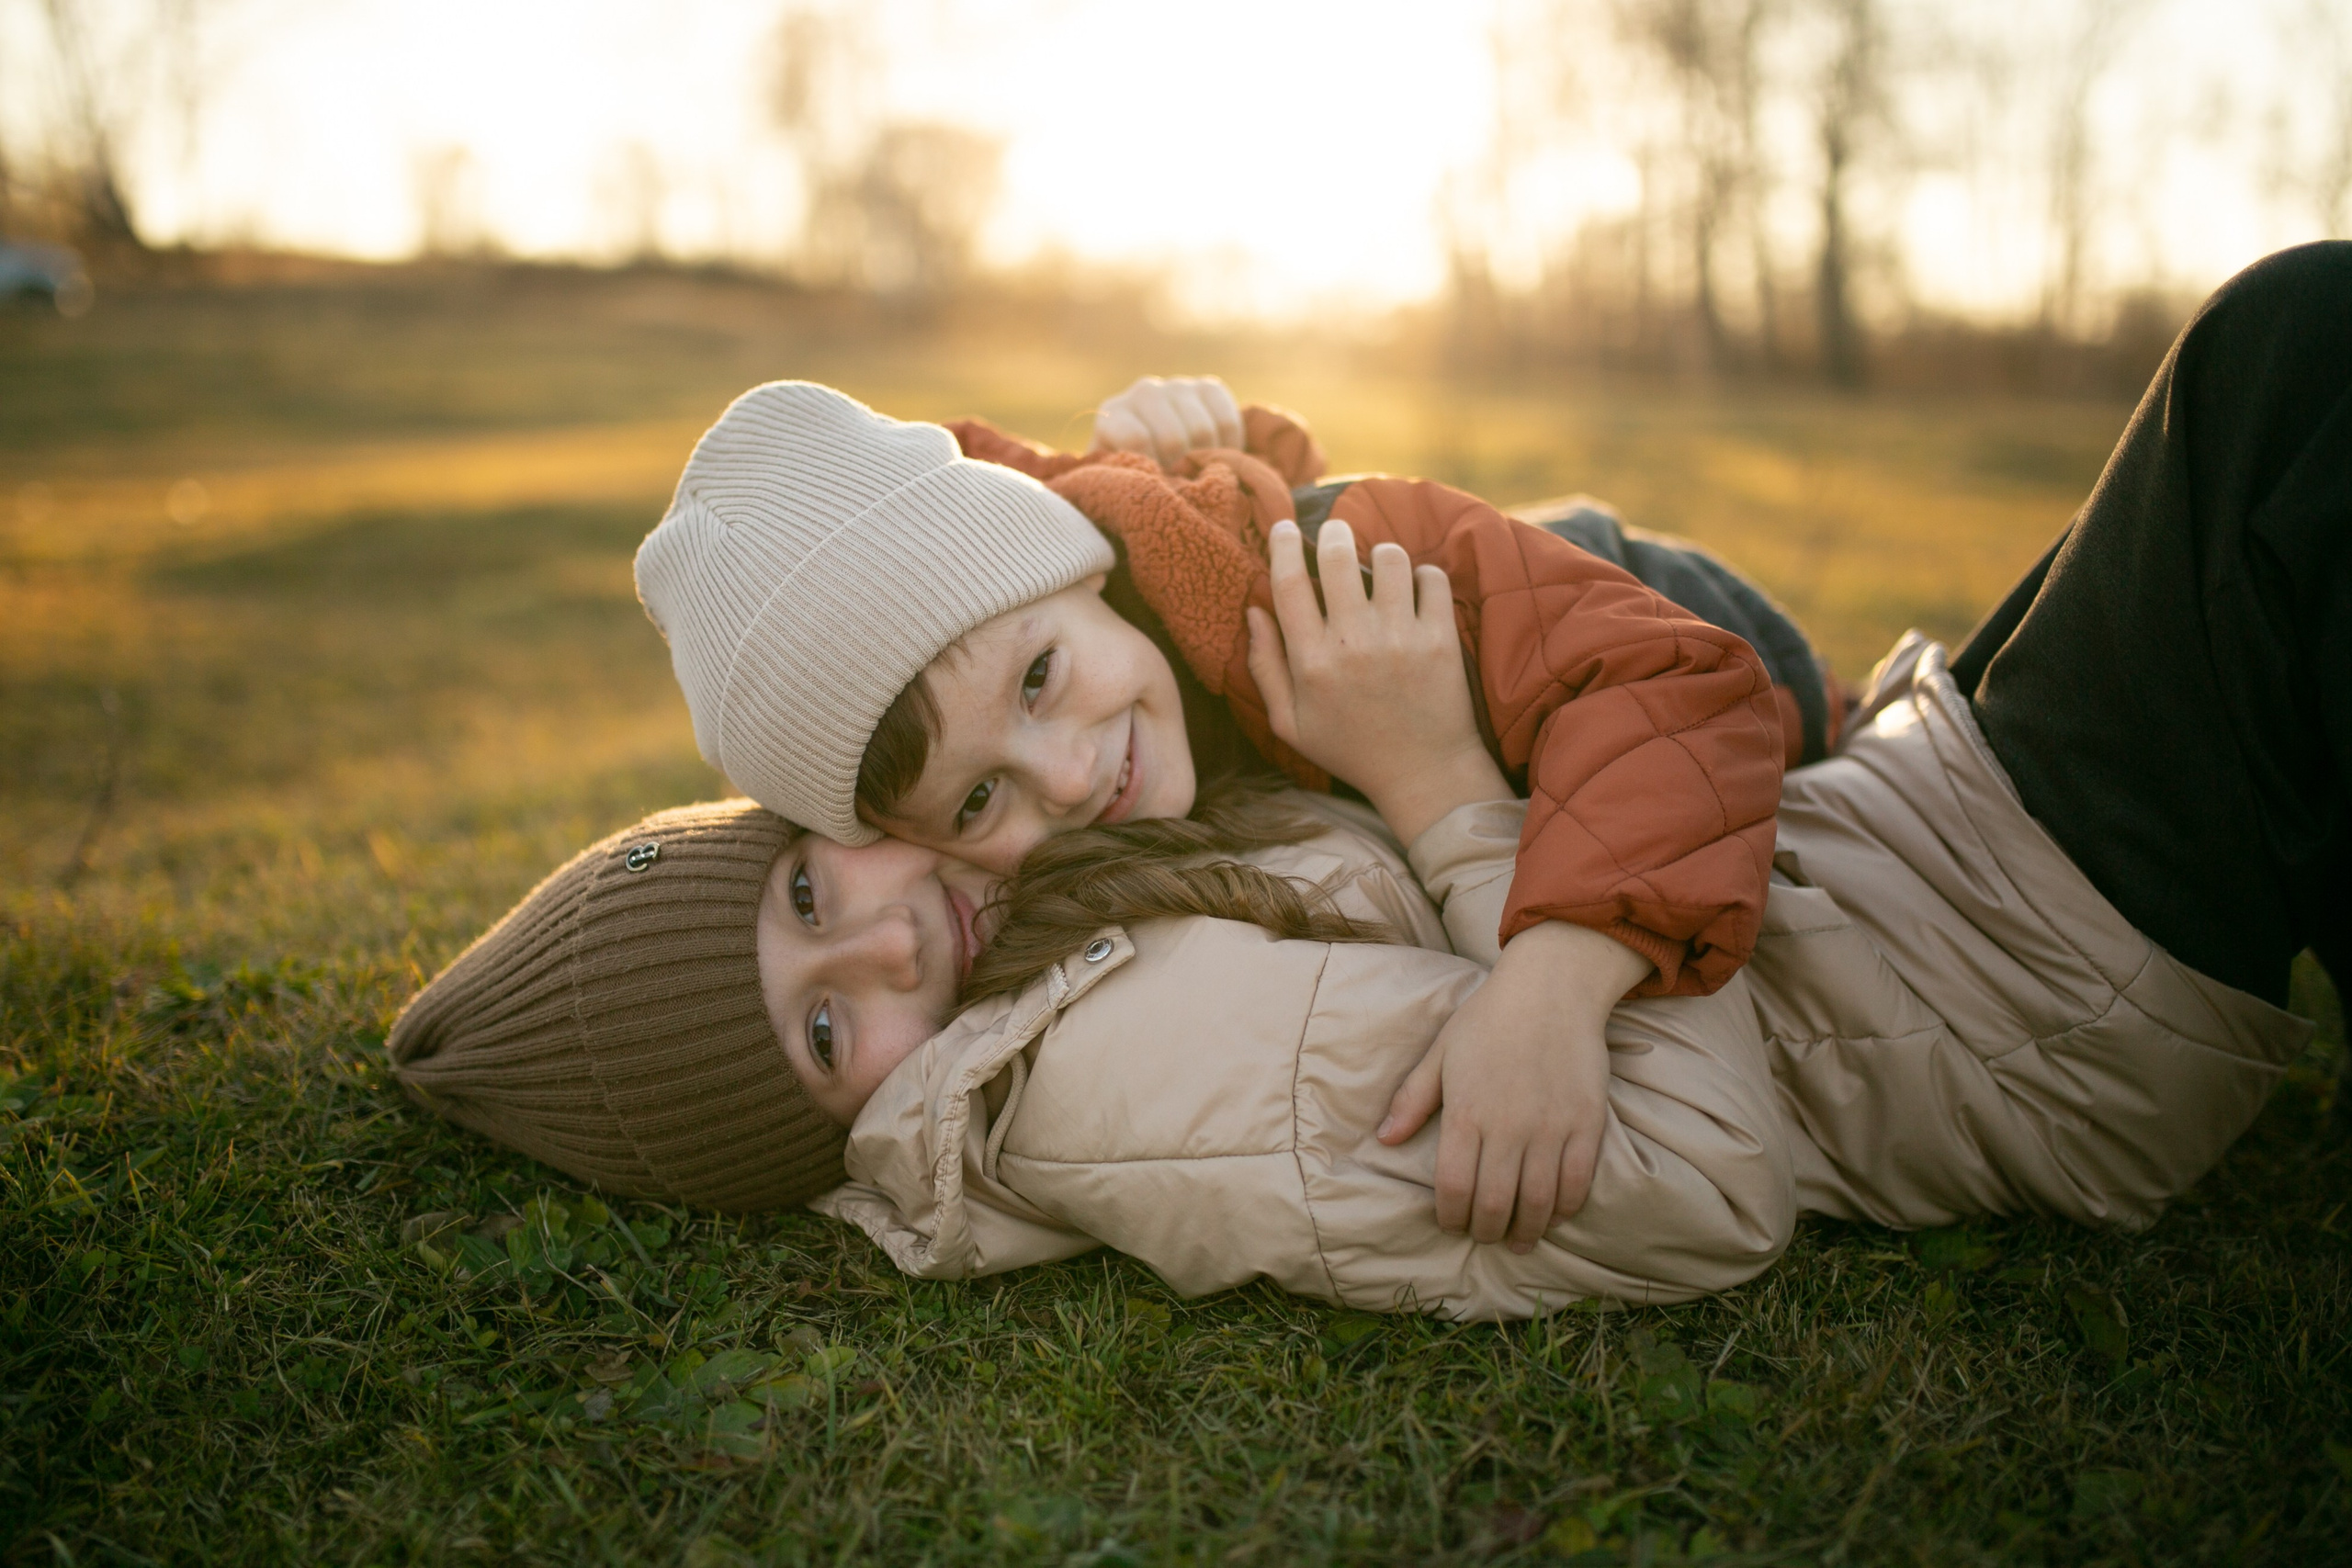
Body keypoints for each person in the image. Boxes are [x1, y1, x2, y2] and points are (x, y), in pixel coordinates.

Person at [630, 374, 1811, 1252]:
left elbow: (1679, 690)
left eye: (1039, 680)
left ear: (1080, 563)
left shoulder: (1332, 574)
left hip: (1682, 621)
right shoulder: (1089, 624)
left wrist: (1554, 980)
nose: (1072, 774)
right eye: (982, 796)